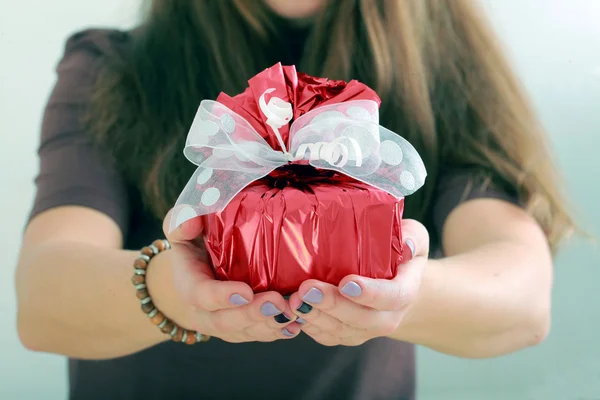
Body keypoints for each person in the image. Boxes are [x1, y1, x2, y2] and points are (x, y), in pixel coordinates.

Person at [15, 1, 573, 399]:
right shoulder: (110, 68)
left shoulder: (440, 70)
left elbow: (521, 299)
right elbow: (43, 301)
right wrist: (169, 290)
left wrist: (400, 294)